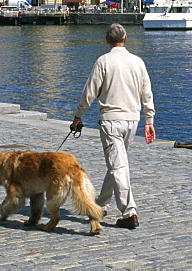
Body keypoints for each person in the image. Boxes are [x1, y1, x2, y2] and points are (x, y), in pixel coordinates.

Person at [71, 23, 155, 230]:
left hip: (111, 121)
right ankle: (100, 205)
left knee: (118, 166)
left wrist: (78, 116)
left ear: (107, 41)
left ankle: (129, 212)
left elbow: (89, 92)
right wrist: (149, 121)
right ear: (125, 39)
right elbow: (147, 94)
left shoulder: (103, 61)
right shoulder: (138, 62)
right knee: (117, 163)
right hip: (132, 120)